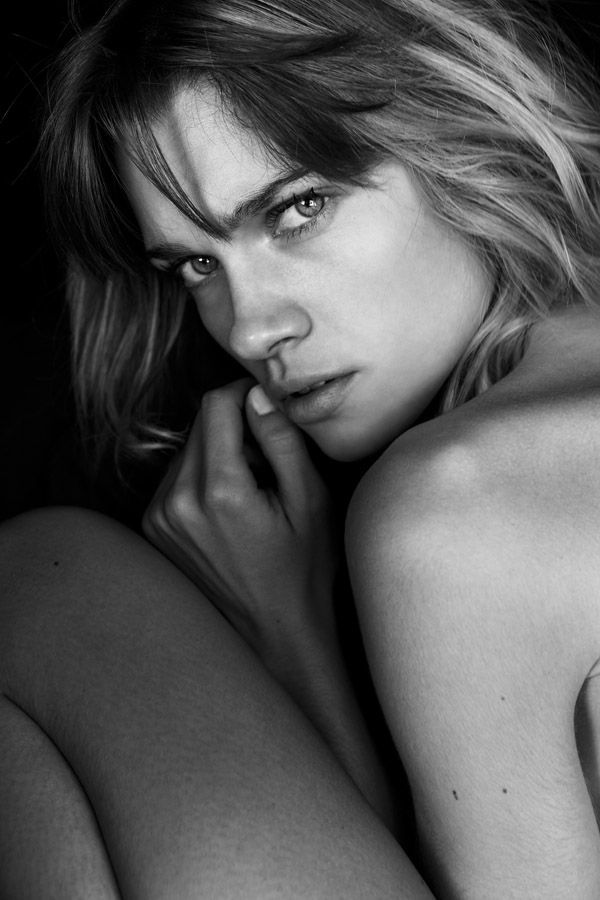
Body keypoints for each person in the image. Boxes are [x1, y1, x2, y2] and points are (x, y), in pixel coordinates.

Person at [2, 0, 600, 895]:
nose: (249, 329)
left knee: (46, 578)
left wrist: (291, 642)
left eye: (297, 208)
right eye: (197, 266)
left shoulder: (458, 508)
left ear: (457, 130)